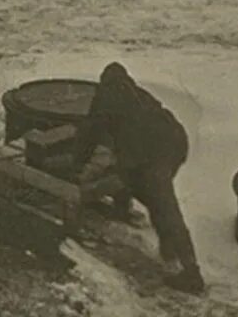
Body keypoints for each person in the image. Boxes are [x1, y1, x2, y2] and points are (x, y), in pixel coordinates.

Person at [72, 62, 204, 294]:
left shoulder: (105, 101)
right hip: (175, 142)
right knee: (137, 180)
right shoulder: (138, 94)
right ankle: (131, 216)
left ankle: (191, 273)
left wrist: (78, 170)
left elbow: (91, 137)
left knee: (162, 203)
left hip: (153, 153)